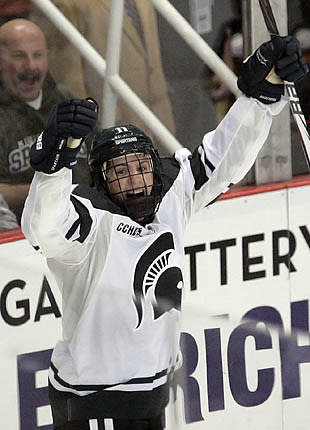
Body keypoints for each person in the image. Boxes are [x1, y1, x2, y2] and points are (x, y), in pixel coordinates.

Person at [21, 35, 308, 429]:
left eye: (140, 166)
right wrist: (54, 162)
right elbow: (42, 227)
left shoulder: (171, 194)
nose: (134, 180)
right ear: (100, 181)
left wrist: (261, 96)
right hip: (92, 397)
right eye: (119, 173)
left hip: (151, 391)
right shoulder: (88, 220)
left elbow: (223, 160)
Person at [29, 0, 175, 148]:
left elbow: (151, 57)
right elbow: (68, 80)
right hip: (112, 126)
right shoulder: (66, 4)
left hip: (160, 124)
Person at [0, 18, 91, 223]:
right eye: (18, 56)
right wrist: (51, 188)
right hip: (21, 236)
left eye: (38, 55)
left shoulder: (67, 100)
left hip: (86, 221)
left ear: (48, 58)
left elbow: (99, 154)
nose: (31, 66)